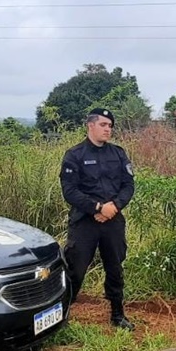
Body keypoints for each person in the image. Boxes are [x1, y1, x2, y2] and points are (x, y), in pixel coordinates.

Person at [60, 108, 135, 330]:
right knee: (75, 269)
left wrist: (114, 206)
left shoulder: (118, 154)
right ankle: (63, 314)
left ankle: (117, 314)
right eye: (103, 125)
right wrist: (97, 208)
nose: (108, 129)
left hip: (112, 221)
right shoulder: (74, 155)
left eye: (110, 126)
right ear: (90, 125)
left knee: (115, 267)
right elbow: (70, 191)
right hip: (84, 222)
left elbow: (128, 185)